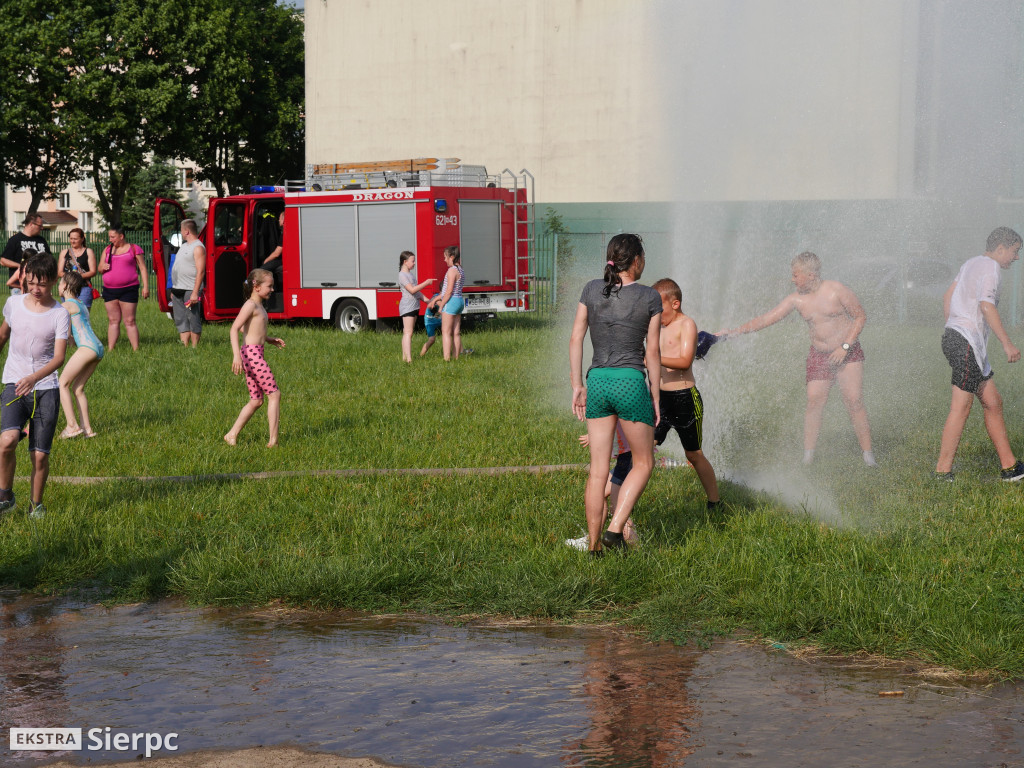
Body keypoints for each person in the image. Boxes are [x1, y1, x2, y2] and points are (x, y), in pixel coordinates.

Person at [718, 251, 876, 467]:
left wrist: (844, 346)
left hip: (847, 353)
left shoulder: (836, 290)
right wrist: (734, 332)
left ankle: (868, 456)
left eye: (796, 275)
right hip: (819, 355)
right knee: (814, 401)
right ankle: (808, 457)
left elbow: (860, 316)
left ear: (811, 275)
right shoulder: (797, 299)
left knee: (854, 401)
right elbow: (767, 318)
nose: (792, 279)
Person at [569, 233, 661, 555]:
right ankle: (615, 528)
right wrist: (656, 396)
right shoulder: (650, 297)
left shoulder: (592, 289)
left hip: (597, 382)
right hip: (630, 381)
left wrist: (577, 384)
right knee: (644, 462)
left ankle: (594, 547)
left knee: (597, 471)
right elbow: (653, 352)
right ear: (636, 261)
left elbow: (576, 338)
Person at [935, 227, 1024, 482]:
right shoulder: (992, 268)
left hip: (962, 341)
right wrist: (1007, 343)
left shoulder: (971, 263)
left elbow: (948, 296)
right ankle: (942, 471)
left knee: (993, 402)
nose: (1016, 258)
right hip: (966, 343)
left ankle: (1010, 467)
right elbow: (986, 306)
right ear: (1000, 249)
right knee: (961, 407)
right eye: (1015, 251)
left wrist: (952, 327)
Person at [0, 254, 70, 518]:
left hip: (46, 388)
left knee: (39, 456)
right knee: (6, 441)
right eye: (30, 282)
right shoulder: (13, 304)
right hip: (14, 382)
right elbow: (3, 334)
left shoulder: (59, 313)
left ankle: (36, 506)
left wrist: (34, 378)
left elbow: (59, 358)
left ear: (53, 280)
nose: (35, 289)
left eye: (41, 284)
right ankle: (5, 496)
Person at [651, 278, 721, 507]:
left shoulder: (686, 324)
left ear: (675, 304)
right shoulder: (658, 327)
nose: (655, 313)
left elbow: (684, 361)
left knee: (693, 454)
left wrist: (653, 358)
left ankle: (714, 502)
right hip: (661, 400)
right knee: (644, 448)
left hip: (685, 399)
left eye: (658, 307)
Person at [225, 269, 285, 448]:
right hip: (252, 355)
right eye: (270, 286)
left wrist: (268, 339)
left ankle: (231, 434)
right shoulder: (250, 305)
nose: (272, 289)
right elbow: (234, 328)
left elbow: (247, 329)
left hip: (254, 353)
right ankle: (273, 441)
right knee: (274, 394)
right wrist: (237, 355)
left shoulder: (258, 306)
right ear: (256, 287)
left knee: (257, 400)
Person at [566, 424, 639, 549]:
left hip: (629, 458)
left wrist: (598, 432)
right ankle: (593, 538)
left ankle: (635, 548)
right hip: (627, 457)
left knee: (618, 507)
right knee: (605, 494)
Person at [56, 272, 103, 439]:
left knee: (62, 383)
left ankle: (72, 426)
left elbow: (51, 318)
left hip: (87, 347)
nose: (58, 286)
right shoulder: (80, 303)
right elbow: (70, 328)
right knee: (78, 388)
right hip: (97, 347)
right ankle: (88, 430)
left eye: (60, 283)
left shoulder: (66, 305)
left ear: (67, 286)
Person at [98, 225, 149, 351]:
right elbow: (99, 269)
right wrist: (102, 267)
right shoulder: (108, 250)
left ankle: (136, 349)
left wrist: (145, 287)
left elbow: (142, 268)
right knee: (113, 320)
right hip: (109, 290)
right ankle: (110, 349)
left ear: (121, 236)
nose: (110, 239)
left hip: (129, 289)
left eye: (113, 237)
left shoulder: (133, 249)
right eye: (109, 236)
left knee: (130, 320)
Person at [170, 219, 206, 347]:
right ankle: (184, 345)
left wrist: (195, 292)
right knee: (180, 318)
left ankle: (194, 346)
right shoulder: (184, 246)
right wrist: (174, 288)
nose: (181, 232)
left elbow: (201, 271)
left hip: (191, 289)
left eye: (181, 230)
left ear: (186, 231)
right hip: (178, 288)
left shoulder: (198, 247)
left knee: (193, 317)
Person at [427, 245, 466, 361]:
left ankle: (447, 359)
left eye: (445, 257)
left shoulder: (451, 271)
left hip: (451, 301)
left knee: (446, 332)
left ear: (452, 257)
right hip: (459, 301)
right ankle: (456, 357)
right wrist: (435, 299)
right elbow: (448, 291)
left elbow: (448, 292)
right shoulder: (461, 270)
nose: (444, 260)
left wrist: (442, 305)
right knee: (456, 332)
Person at [398, 250, 436, 363]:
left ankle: (405, 357)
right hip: (407, 307)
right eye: (412, 261)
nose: (414, 263)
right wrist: (426, 282)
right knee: (408, 332)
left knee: (408, 332)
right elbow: (412, 289)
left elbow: (417, 293)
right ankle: (408, 359)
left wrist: (429, 301)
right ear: (405, 262)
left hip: (415, 306)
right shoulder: (402, 275)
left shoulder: (411, 275)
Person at [0, 214, 50, 295]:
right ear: (31, 224)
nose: (42, 228)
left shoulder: (41, 240)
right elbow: (3, 261)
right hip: (19, 287)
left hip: (38, 286)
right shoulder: (15, 240)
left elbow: (49, 259)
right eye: (40, 225)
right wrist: (21, 266)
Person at [58, 228, 98, 309]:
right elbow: (59, 272)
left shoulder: (88, 251)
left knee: (83, 314)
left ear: (82, 239)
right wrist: (71, 277)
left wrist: (77, 277)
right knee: (68, 313)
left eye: (75, 239)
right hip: (67, 288)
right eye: (71, 238)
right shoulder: (64, 252)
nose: (73, 241)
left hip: (84, 287)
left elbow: (93, 271)